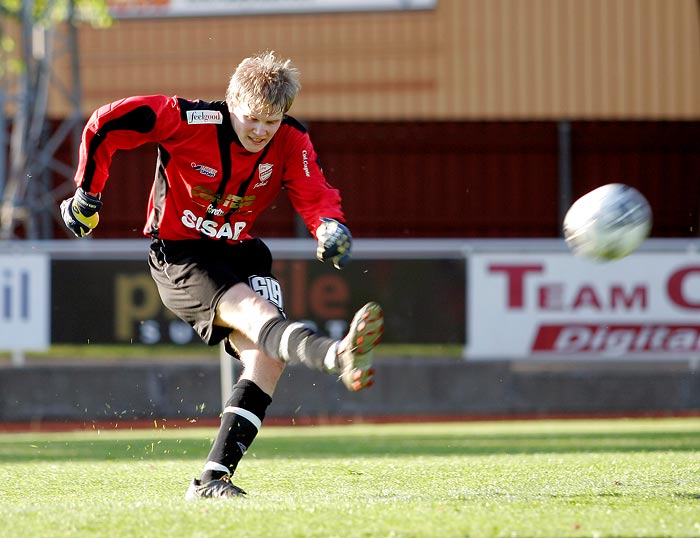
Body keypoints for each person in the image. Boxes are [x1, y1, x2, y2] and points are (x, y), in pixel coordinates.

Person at [60, 51, 384, 499]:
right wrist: (87, 194)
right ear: (230, 102)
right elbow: (106, 123)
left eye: (271, 122)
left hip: (240, 252)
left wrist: (329, 226)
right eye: (252, 119)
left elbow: (315, 194)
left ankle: (213, 479)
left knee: (267, 359)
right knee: (256, 312)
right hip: (181, 256)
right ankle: (335, 355)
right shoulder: (187, 119)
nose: (260, 132)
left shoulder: (291, 140)